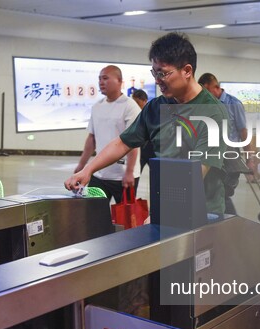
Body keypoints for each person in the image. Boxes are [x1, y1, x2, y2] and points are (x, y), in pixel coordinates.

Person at [65, 32, 227, 215]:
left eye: (163, 73)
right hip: (167, 206)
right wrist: (88, 169)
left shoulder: (213, 113)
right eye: (154, 73)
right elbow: (123, 142)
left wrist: (164, 213)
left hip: (203, 212)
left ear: (187, 71)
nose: (157, 81)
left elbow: (197, 172)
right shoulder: (156, 108)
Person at [73, 65, 141, 203]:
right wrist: (82, 166)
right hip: (99, 174)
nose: (101, 82)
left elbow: (133, 142)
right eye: (99, 79)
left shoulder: (130, 106)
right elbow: (91, 139)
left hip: (122, 176)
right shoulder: (97, 106)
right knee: (93, 213)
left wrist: (129, 172)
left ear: (119, 81)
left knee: (125, 218)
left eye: (105, 78)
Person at [198, 72, 249, 215]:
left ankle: (232, 225)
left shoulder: (233, 104)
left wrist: (250, 158)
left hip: (230, 155)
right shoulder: (206, 104)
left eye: (206, 91)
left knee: (222, 192)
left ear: (215, 87)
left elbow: (243, 130)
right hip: (214, 153)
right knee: (214, 192)